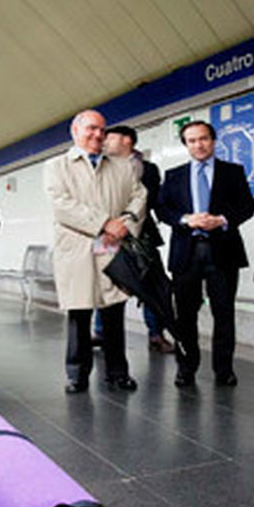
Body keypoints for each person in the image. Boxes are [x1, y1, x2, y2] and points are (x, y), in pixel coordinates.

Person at [44, 110, 148, 393]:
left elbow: (139, 196)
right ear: (75, 131)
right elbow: (61, 205)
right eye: (91, 129)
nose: (98, 135)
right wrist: (104, 223)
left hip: (112, 248)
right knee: (79, 314)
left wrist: (125, 224)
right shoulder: (56, 166)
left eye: (102, 130)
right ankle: (77, 375)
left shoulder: (122, 166)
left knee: (114, 312)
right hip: (77, 249)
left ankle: (118, 373)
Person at [157, 120, 254, 387]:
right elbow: (162, 210)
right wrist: (186, 219)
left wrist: (222, 219)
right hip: (186, 253)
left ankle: (223, 370)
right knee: (185, 316)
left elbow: (247, 207)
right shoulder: (174, 175)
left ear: (213, 141)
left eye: (203, 139)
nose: (198, 145)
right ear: (186, 145)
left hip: (222, 251)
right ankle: (186, 367)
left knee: (224, 314)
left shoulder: (232, 172)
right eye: (192, 140)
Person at [93, 125, 175, 354]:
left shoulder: (147, 169)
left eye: (110, 137)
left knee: (150, 283)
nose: (105, 141)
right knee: (106, 283)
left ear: (127, 140)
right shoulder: (99, 167)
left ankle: (156, 335)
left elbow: (145, 200)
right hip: (106, 235)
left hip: (141, 235)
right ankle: (100, 332)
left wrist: (126, 222)